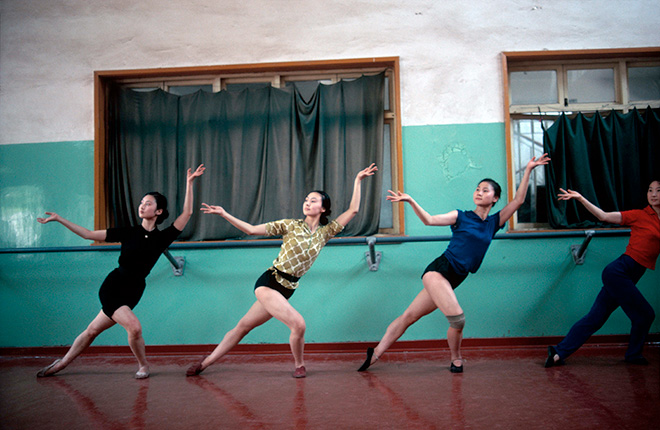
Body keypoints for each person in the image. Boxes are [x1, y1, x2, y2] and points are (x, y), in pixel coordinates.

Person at [358, 154, 550, 373]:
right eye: (477, 189)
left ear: (495, 198)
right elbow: (429, 220)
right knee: (458, 319)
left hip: (456, 277)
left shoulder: (494, 222)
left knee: (409, 316)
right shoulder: (461, 216)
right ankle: (456, 359)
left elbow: (518, 201)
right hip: (439, 271)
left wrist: (528, 170)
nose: (479, 192)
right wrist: (411, 201)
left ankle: (375, 354)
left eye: (485, 190)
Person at [186, 164, 378, 378]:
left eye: (313, 200)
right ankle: (299, 365)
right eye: (306, 200)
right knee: (298, 324)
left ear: (323, 208)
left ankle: (204, 364)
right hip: (269, 282)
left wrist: (358, 180)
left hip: (288, 287)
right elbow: (250, 229)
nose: (307, 203)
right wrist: (224, 213)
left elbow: (353, 210)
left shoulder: (326, 232)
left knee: (242, 327)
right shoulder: (290, 225)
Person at [36, 164, 206, 379]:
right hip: (115, 285)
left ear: (159, 211)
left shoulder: (163, 237)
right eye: (141, 203)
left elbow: (188, 212)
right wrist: (60, 219)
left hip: (134, 290)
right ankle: (143, 366)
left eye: (148, 203)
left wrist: (190, 183)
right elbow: (88, 234)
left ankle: (60, 364)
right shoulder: (128, 232)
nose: (142, 206)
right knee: (134, 327)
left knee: (92, 330)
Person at [545, 181, 660, 367]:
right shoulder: (640, 216)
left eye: (658, 190)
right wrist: (581, 198)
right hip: (619, 272)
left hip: (630, 274)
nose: (653, 194)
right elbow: (604, 216)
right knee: (645, 314)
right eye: (650, 190)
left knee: (595, 318)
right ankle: (633, 355)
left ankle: (558, 353)